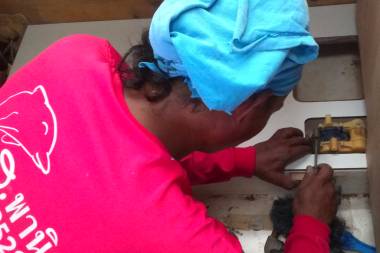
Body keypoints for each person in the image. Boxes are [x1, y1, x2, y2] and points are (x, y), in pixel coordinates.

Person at [0, 0, 337, 252]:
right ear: (248, 107)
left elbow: (113, 160)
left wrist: (240, 160)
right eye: (274, 108)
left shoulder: (73, 55)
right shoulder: (186, 241)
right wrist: (311, 224)